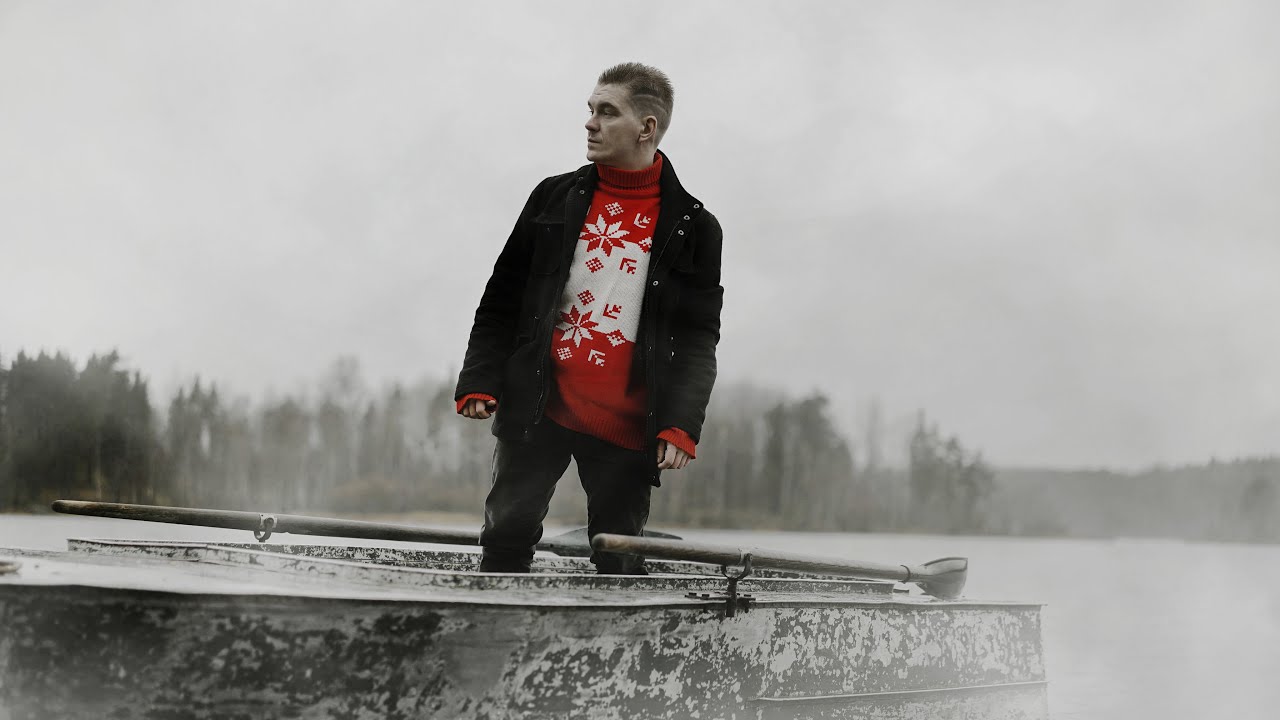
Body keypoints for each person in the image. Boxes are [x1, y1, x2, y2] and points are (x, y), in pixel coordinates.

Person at [455, 62, 723, 575]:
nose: (590, 123)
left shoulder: (695, 227)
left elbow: (697, 338)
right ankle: (493, 623)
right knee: (505, 537)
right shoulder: (551, 197)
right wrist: (480, 378)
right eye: (591, 109)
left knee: (619, 559)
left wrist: (681, 424)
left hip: (628, 422)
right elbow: (502, 299)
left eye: (607, 112)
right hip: (539, 405)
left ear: (647, 127)